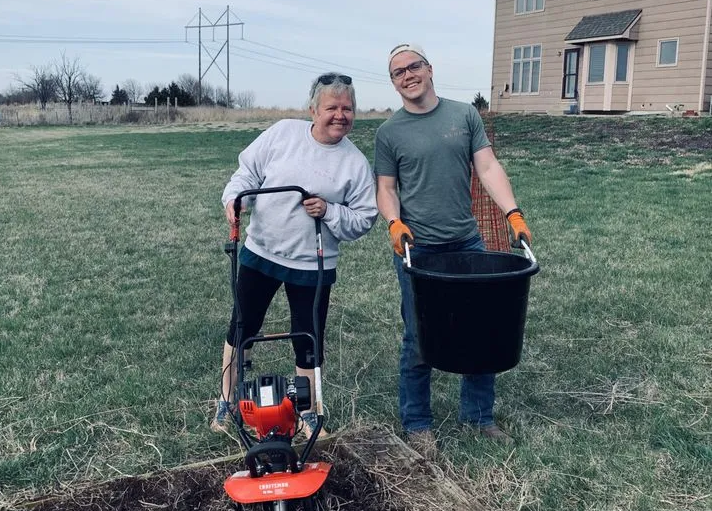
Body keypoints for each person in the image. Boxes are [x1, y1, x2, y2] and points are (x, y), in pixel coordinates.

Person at [374, 43, 532, 460]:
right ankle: (417, 423)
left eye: (413, 67)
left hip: (466, 241)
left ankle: (479, 417)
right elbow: (386, 188)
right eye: (397, 73)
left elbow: (488, 167)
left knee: (482, 327)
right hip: (417, 248)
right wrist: (394, 223)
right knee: (418, 335)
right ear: (393, 83)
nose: (407, 76)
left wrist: (512, 214)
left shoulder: (464, 115)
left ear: (429, 69)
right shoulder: (389, 132)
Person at [213, 73, 377, 434]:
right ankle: (227, 402)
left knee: (309, 336)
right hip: (262, 253)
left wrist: (330, 211)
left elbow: (365, 218)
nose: (340, 115)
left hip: (312, 265)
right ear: (313, 110)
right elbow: (247, 173)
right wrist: (235, 199)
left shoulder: (355, 163)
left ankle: (308, 410)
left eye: (347, 108)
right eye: (331, 107)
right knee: (242, 326)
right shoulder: (283, 133)